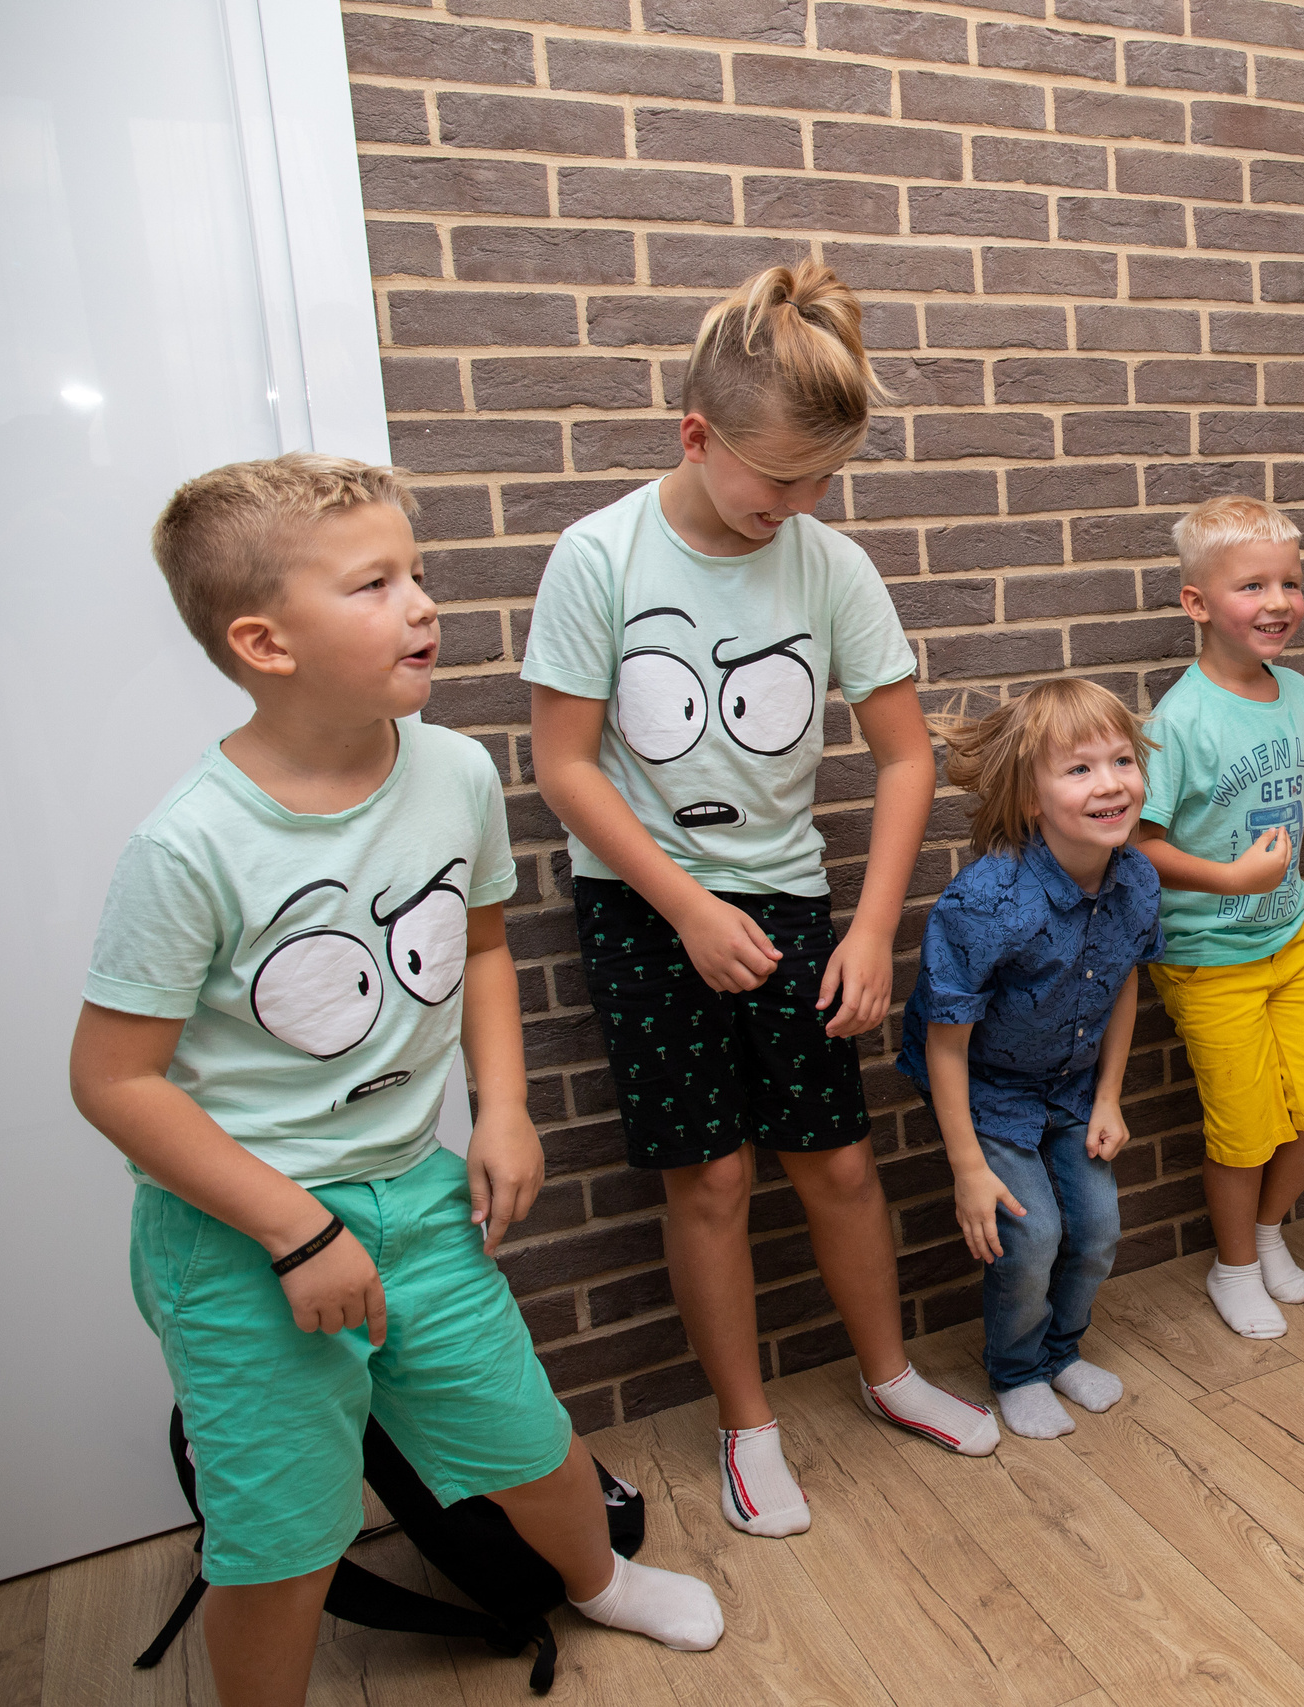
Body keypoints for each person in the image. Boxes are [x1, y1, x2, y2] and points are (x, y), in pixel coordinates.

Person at [71, 455, 722, 1707]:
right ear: (266, 641)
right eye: (376, 583)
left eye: (417, 572)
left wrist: (508, 1108)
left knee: (523, 1435)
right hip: (241, 1234)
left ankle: (600, 1583)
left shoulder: (455, 772)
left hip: (411, 1198)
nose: (424, 602)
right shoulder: (189, 846)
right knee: (284, 1536)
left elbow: (478, 943)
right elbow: (113, 1083)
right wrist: (296, 1229)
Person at [526, 264, 996, 1544]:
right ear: (696, 436)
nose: (796, 506)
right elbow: (561, 766)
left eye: (821, 484)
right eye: (777, 481)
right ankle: (747, 1429)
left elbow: (906, 758)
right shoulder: (599, 556)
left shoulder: (830, 565)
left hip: (791, 899)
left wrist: (867, 928)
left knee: (838, 1161)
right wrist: (681, 905)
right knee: (713, 1180)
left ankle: (891, 1377)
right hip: (642, 908)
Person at [1131, 496, 1304, 1341]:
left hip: (1289, 939)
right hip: (1209, 957)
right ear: (1197, 603)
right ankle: (1234, 1264)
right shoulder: (1179, 721)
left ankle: (1270, 1232)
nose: (1278, 601)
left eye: (1291, 582)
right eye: (1253, 584)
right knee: (1244, 1132)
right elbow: (1138, 845)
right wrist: (1229, 874)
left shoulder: (1299, 693)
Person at [898, 680, 1163, 1438]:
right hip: (984, 1092)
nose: (1110, 782)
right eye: (1079, 769)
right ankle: (1015, 1369)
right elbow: (945, 1043)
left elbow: (1123, 980)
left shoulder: (1137, 880)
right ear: (1028, 798)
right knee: (1033, 1235)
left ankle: (1060, 1350)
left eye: (1121, 759)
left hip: (1073, 1085)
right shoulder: (986, 904)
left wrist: (1109, 1095)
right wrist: (967, 1168)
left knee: (1099, 1228)